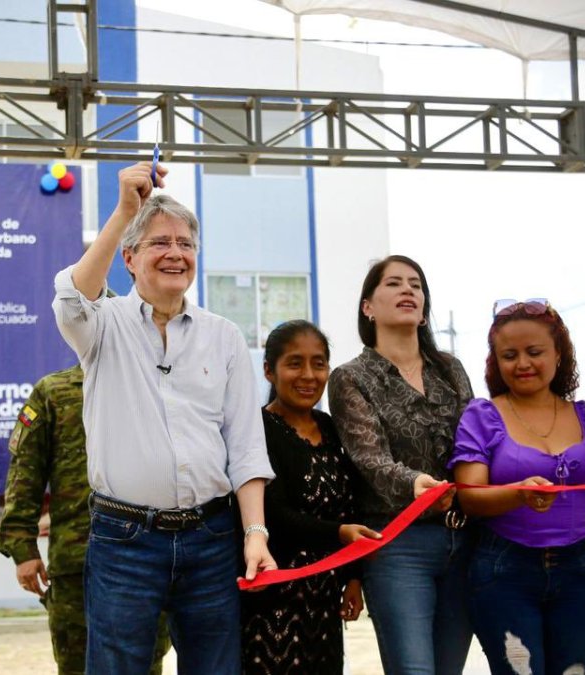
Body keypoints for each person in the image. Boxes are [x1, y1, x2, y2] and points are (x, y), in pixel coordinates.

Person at [52, 161, 276, 675]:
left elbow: (245, 446)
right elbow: (71, 297)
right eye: (159, 243)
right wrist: (124, 212)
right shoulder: (101, 326)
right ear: (129, 258)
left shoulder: (224, 336)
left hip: (211, 537)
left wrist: (255, 532)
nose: (176, 253)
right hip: (124, 539)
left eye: (186, 244)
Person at [450, 299, 585, 675]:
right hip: (504, 573)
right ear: (495, 362)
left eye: (535, 352)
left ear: (558, 353)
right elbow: (469, 497)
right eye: (509, 355)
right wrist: (519, 493)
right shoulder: (481, 415)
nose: (523, 363)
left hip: (580, 573)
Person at [328, 254, 475, 675]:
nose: (408, 289)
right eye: (393, 283)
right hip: (397, 545)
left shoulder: (450, 368)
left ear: (424, 309)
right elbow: (369, 458)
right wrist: (416, 485)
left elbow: (476, 445)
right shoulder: (351, 377)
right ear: (368, 307)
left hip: (465, 540)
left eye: (416, 284)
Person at [0, 363, 170, 675]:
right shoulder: (54, 392)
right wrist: (23, 548)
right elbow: (25, 473)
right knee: (77, 665)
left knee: (144, 664)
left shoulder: (157, 385)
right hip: (78, 564)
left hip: (145, 561)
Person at [241, 320, 379, 674]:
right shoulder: (256, 430)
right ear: (269, 371)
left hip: (324, 601)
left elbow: (351, 505)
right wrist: (340, 534)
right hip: (271, 603)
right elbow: (275, 514)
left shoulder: (331, 428)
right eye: (294, 363)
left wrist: (353, 578)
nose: (308, 375)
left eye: (318, 364)